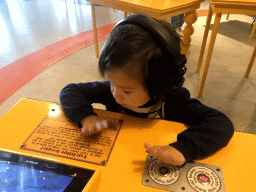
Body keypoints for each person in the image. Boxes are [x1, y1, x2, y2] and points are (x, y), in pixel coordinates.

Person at [59, 14, 234, 166]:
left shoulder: (173, 100)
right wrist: (86, 116)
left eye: (127, 91)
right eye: (111, 83)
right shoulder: (113, 89)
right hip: (115, 158)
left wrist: (184, 148)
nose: (115, 94)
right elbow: (70, 91)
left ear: (160, 85)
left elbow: (221, 124)